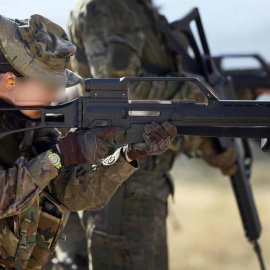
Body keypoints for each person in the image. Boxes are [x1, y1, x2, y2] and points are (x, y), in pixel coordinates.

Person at [65, 0, 239, 270]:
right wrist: (196, 97)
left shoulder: (137, 8)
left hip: (142, 183)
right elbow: (121, 91)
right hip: (121, 186)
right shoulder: (110, 7)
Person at [0, 13, 177, 270]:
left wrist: (126, 157)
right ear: (10, 80)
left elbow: (67, 194)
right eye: (48, 85)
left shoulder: (30, 123)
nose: (56, 95)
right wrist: (58, 157)